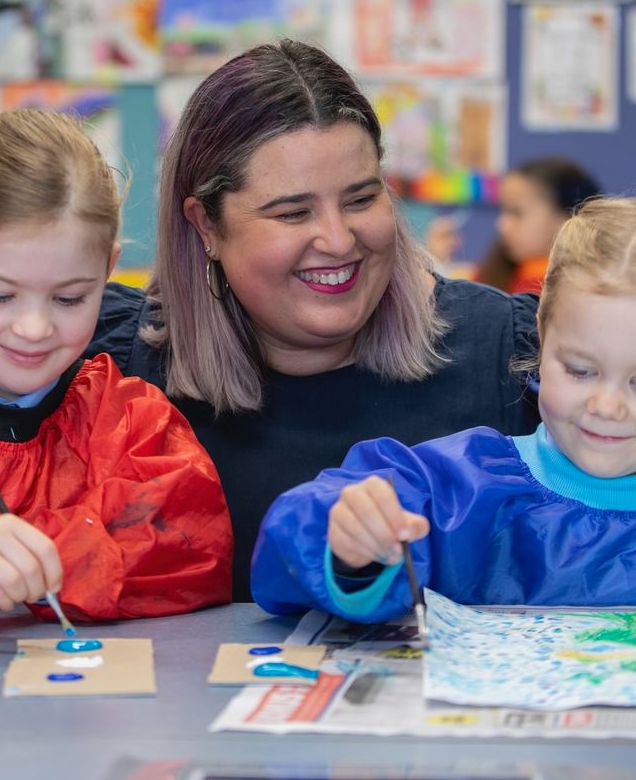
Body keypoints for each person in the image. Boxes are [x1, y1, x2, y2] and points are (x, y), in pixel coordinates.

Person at [87, 39, 541, 602]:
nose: (338, 239)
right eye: (293, 212)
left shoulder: (513, 360)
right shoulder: (114, 374)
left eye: (360, 199)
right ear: (206, 226)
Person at [0, 108, 232, 636]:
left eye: (70, 297)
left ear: (107, 271)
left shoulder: (127, 422)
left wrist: (28, 564)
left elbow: (189, 543)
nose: (35, 328)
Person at [251, 198, 636, 622]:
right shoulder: (457, 489)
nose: (607, 406)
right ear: (543, 336)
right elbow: (296, 543)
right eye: (580, 370)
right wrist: (353, 542)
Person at [477, 156, 601, 294]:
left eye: (517, 213)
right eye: (503, 211)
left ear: (566, 219)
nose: (502, 225)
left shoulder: (584, 287)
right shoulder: (492, 275)